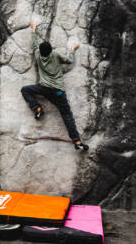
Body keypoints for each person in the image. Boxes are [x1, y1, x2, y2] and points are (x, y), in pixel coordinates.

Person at [21, 21, 89, 151]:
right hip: (58, 91)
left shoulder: (38, 55)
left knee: (25, 90)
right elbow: (69, 61)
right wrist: (73, 50)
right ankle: (77, 141)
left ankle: (37, 109)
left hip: (44, 89)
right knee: (66, 114)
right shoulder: (55, 55)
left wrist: (34, 29)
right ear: (51, 50)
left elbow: (34, 44)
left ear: (40, 51)